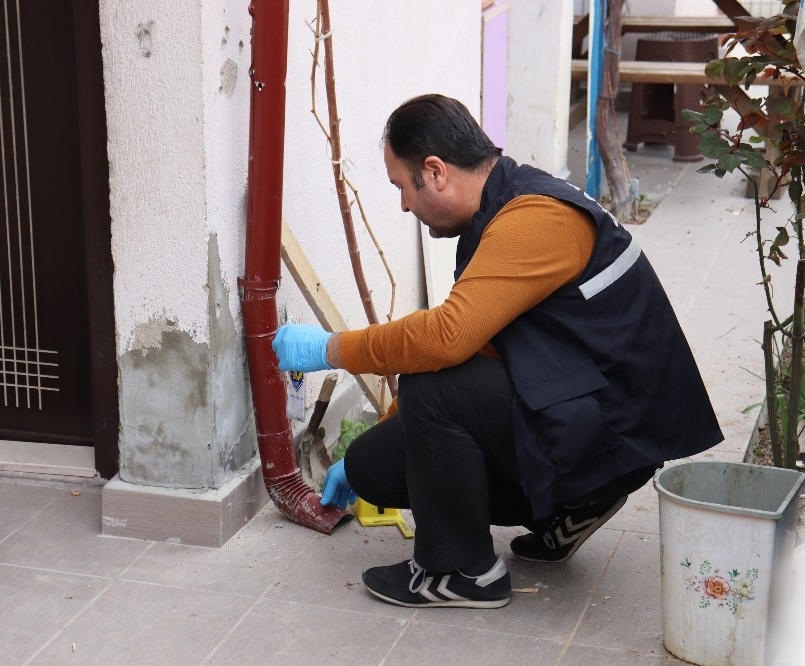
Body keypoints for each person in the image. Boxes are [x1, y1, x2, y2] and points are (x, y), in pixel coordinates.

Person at [271, 93, 722, 610]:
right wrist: (393, 424)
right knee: (373, 464)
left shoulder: (537, 218)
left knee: (433, 383)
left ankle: (460, 569)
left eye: (402, 187)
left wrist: (331, 348)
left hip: (616, 435)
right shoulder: (499, 210)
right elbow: (481, 341)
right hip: (591, 408)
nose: (403, 205)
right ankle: (564, 514)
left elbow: (446, 339)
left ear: (435, 172)